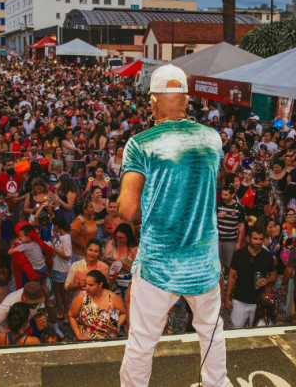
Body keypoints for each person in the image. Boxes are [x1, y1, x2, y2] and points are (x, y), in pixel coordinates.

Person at [117, 65, 228, 386]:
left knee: (142, 342)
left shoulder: (140, 144)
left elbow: (126, 209)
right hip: (203, 261)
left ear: (152, 101)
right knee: (211, 332)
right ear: (186, 98)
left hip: (158, 263)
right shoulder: (212, 138)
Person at [225, 224, 276, 329]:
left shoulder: (267, 256)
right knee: (236, 331)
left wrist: (266, 281)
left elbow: (274, 276)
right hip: (239, 301)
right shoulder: (238, 254)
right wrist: (227, 298)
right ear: (248, 238)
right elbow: (232, 277)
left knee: (258, 333)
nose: (258, 242)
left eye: (260, 239)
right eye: (255, 239)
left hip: (259, 302)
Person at [68, 270, 127, 340]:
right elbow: (71, 316)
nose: (87, 287)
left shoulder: (113, 298)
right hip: (86, 339)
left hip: (107, 340)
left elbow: (123, 313)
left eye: (91, 285)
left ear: (100, 284)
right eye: (86, 284)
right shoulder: (82, 297)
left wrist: (117, 324)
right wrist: (79, 335)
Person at [217, 185, 245, 275]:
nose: (223, 197)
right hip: (217, 239)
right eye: (223, 194)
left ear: (232, 195)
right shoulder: (218, 204)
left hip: (231, 240)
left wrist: (239, 242)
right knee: (216, 264)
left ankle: (228, 282)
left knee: (231, 264)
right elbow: (208, 219)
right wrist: (218, 216)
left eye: (226, 195)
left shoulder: (238, 208)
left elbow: (241, 226)